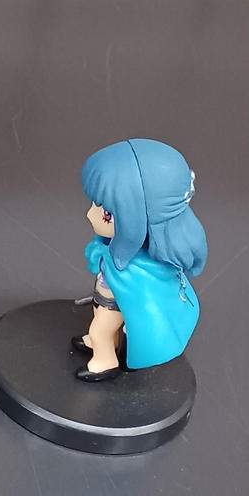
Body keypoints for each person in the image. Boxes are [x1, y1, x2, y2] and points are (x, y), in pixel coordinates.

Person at [76, 139, 207, 381]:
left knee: (100, 330)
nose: (89, 214)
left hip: (114, 303)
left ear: (138, 220)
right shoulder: (114, 251)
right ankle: (105, 342)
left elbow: (140, 300)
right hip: (105, 298)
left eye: (107, 214)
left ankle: (105, 361)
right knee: (101, 323)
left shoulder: (140, 269)